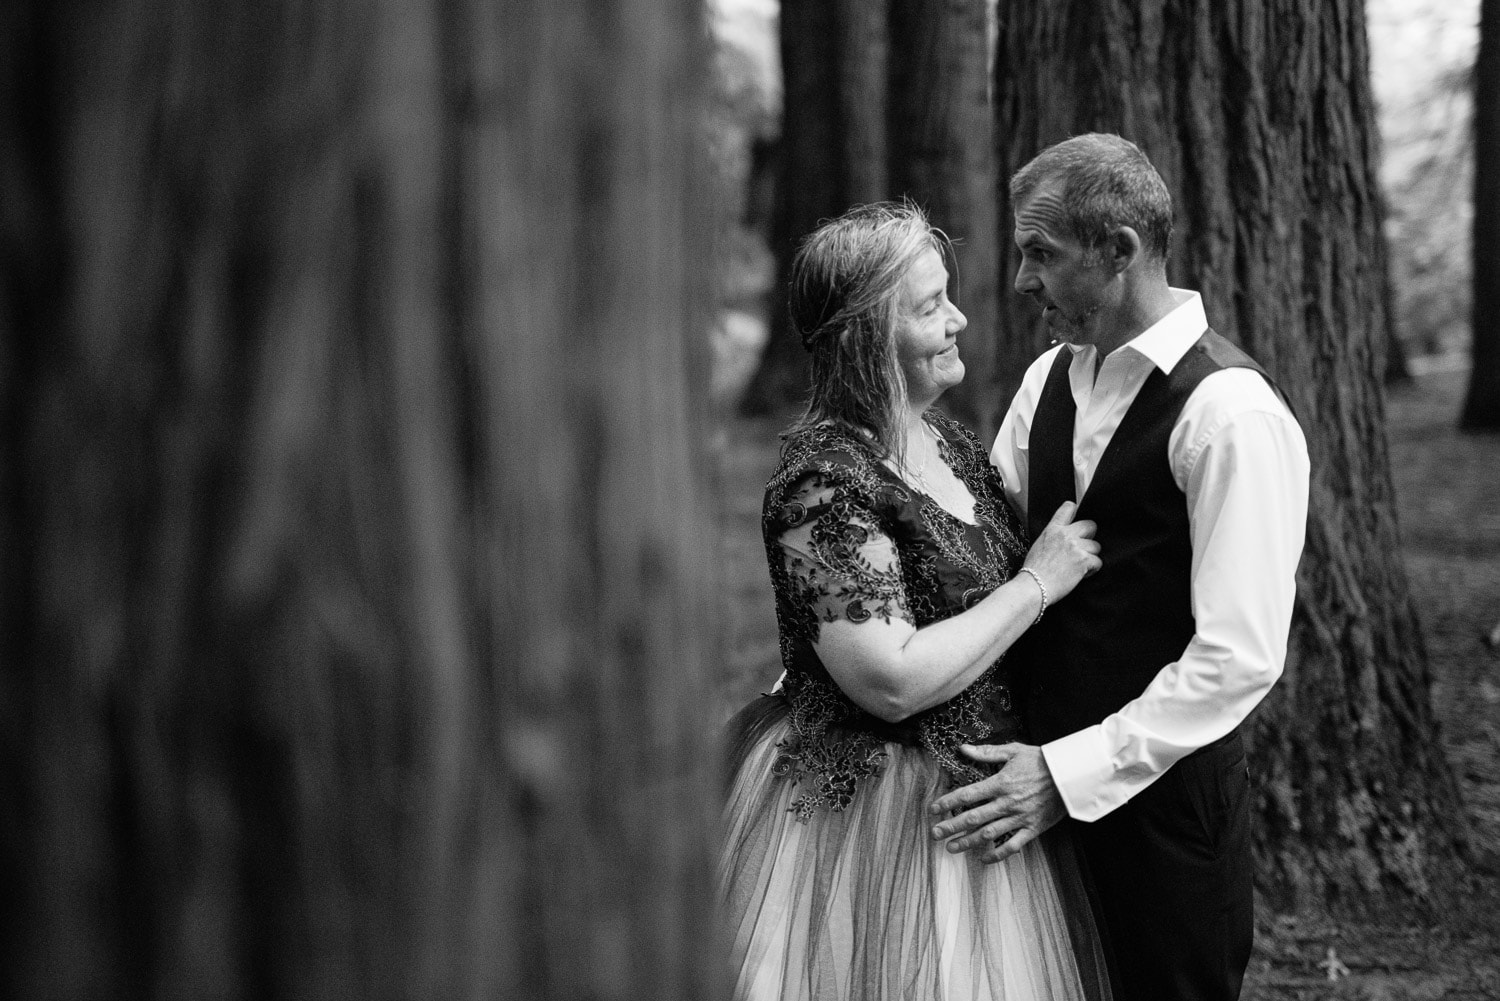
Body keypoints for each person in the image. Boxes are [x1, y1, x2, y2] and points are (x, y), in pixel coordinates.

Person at [928, 134, 1311, 1001]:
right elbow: (984, 565)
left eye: (1040, 254)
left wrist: (1066, 776)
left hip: (1165, 823)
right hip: (1029, 805)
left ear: (1120, 252)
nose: (1020, 280)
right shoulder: (1045, 383)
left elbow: (1238, 656)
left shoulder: (1231, 415)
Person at [719, 200, 1112, 1001]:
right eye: (931, 307)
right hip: (864, 828)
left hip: (979, 808)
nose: (959, 318)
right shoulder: (820, 487)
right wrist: (1038, 582)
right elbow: (888, 680)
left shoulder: (951, 445)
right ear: (867, 335)